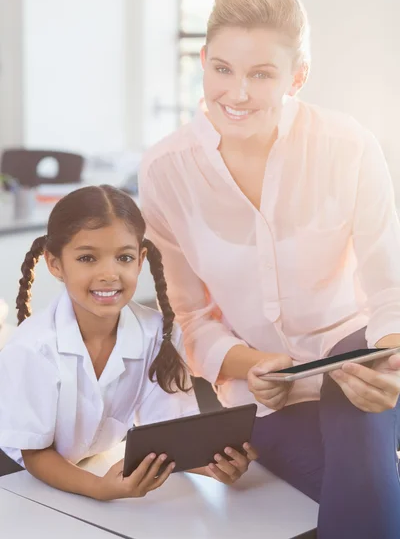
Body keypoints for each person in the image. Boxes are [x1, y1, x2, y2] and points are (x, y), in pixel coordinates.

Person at [139, 0, 400, 538]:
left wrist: (396, 364)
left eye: (261, 74)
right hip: (267, 402)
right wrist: (249, 363)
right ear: (203, 60)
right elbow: (187, 319)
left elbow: (389, 293)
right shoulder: (166, 172)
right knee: (367, 488)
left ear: (297, 77)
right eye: (223, 69)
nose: (236, 93)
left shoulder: (348, 147)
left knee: (351, 401)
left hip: (361, 367)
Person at [0, 185, 257, 499]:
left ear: (140, 260)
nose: (109, 274)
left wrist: (209, 463)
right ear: (55, 264)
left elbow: (168, 431)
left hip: (88, 467)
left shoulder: (158, 334)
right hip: (17, 475)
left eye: (123, 257)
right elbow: (35, 455)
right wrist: (99, 489)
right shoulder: (31, 348)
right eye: (87, 258)